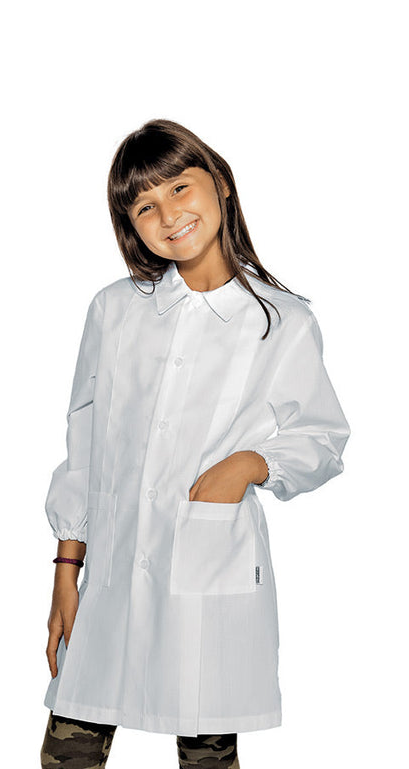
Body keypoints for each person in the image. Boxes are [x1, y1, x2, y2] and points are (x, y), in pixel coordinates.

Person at [39, 118, 351, 769]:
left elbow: (323, 438)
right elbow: (84, 444)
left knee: (207, 756)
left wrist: (253, 463)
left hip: (208, 574)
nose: (169, 214)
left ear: (221, 185)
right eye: (144, 206)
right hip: (109, 578)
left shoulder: (282, 322)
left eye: (180, 187)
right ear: (131, 225)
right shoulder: (114, 310)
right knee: (68, 755)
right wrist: (67, 570)